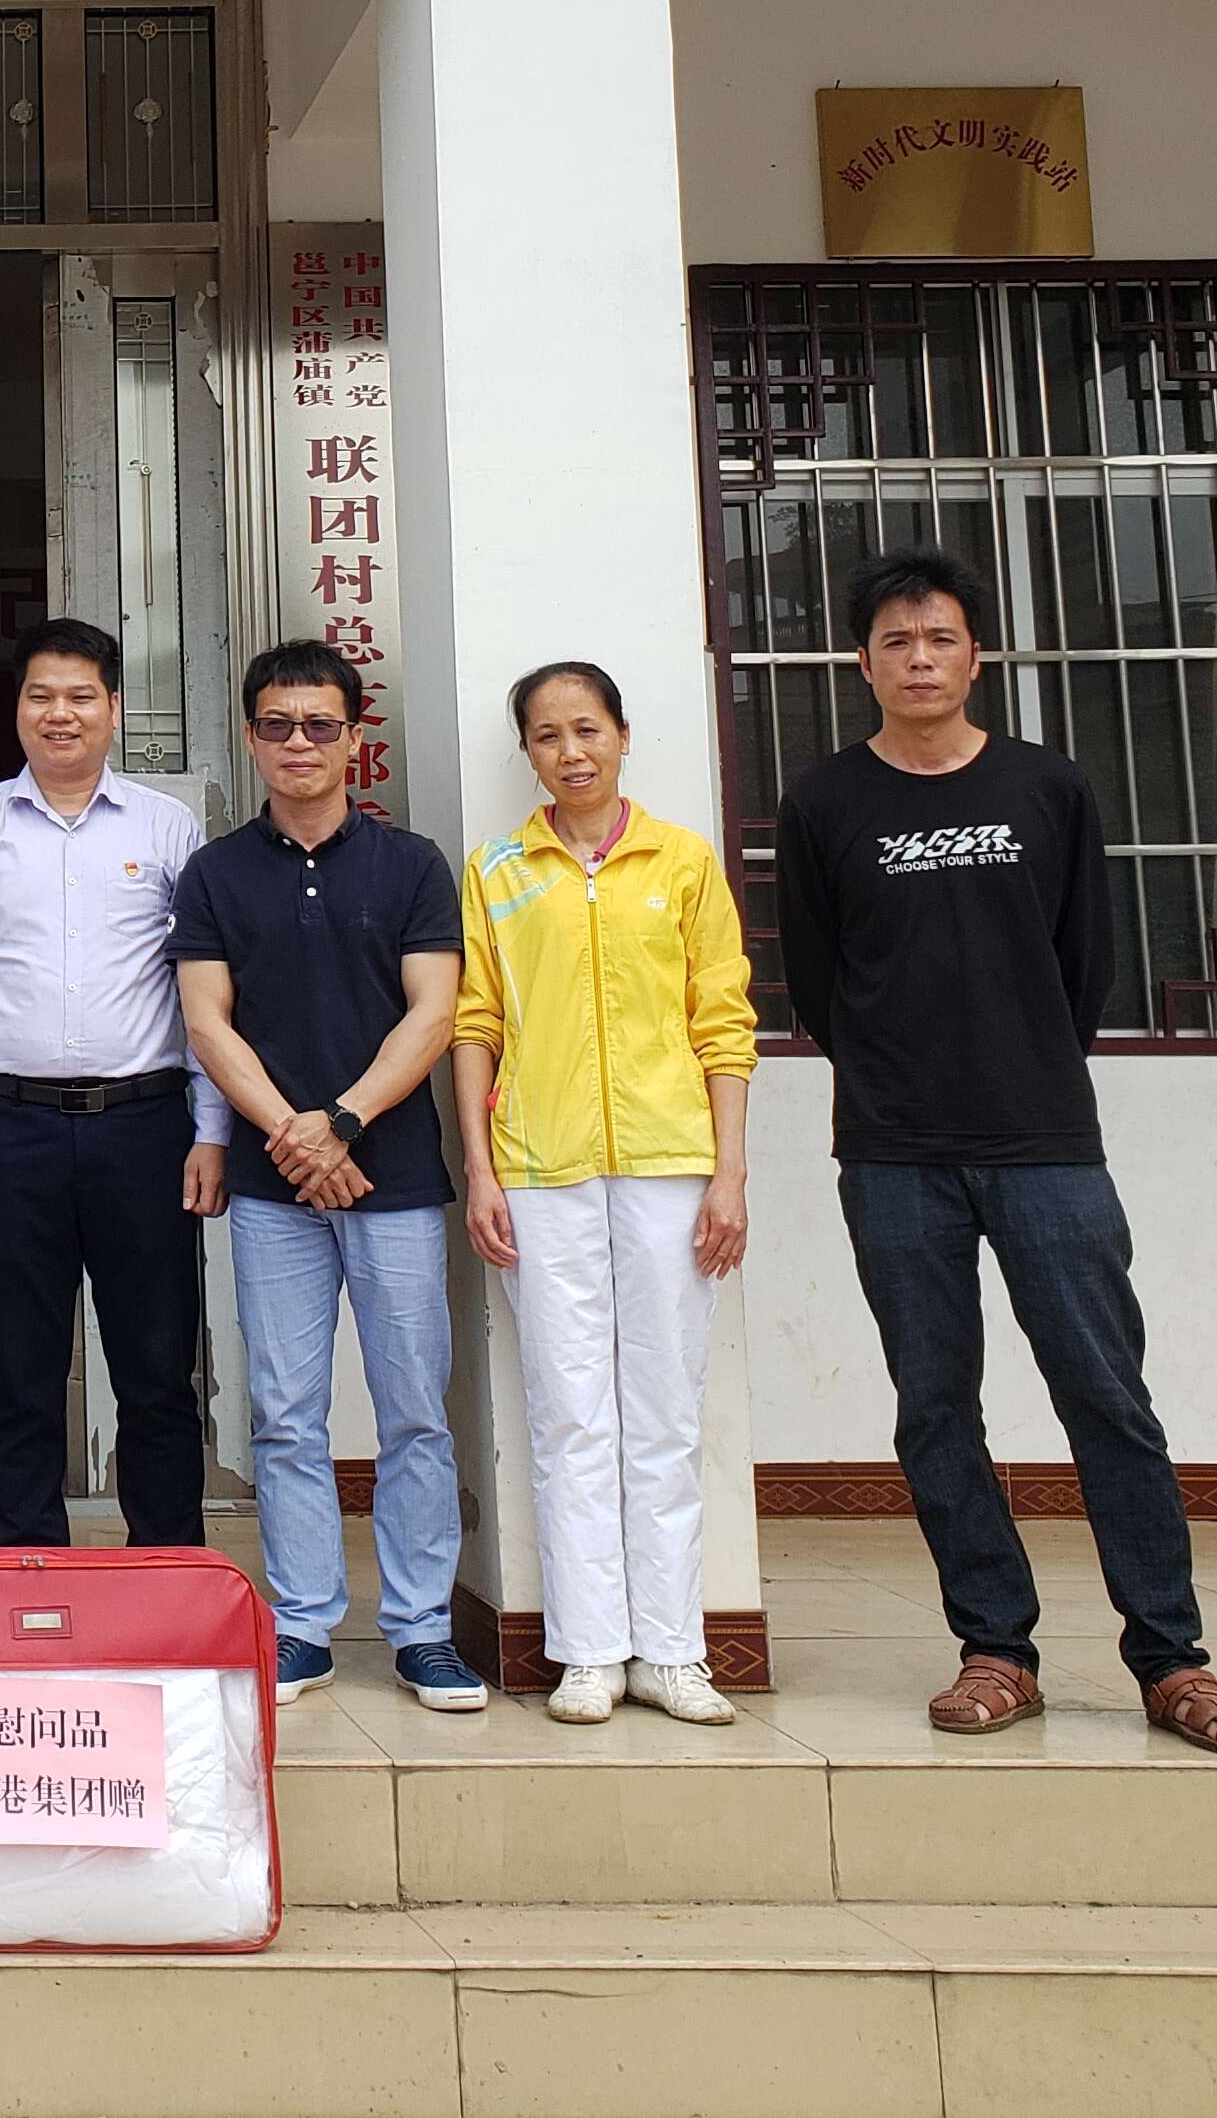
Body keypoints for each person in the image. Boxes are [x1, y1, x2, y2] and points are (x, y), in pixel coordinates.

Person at [777, 550, 1217, 1756]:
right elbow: (817, 977)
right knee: (935, 1405)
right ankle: (996, 1648)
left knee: (1107, 1396)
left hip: (1045, 1141)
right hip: (894, 1152)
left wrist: (1021, 1060)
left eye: (940, 638)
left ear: (977, 655)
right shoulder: (824, 801)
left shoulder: (1047, 786)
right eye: (896, 643)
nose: (920, 660)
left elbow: (1084, 961)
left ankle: (1172, 1657)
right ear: (862, 664)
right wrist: (897, 1073)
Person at [172, 639, 486, 1710]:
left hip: (393, 1178)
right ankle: (302, 1622)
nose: (297, 743)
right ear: (251, 737)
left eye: (319, 724)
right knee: (284, 1414)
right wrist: (294, 1138)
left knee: (415, 1413)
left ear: (354, 736)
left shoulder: (413, 865)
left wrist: (342, 1122)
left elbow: (434, 1013)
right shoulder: (215, 873)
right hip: (275, 1192)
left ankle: (422, 1629)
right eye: (277, 725)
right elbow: (208, 1023)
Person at [453, 660, 756, 1729]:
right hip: (541, 1170)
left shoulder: (683, 861)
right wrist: (480, 1171)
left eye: (587, 729)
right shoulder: (498, 869)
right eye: (547, 735)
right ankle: (588, 1652)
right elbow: (476, 1024)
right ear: (527, 753)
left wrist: (729, 1172)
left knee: (664, 1411)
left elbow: (724, 1020)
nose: (571, 752)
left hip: (671, 1167)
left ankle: (673, 1651)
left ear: (623, 735)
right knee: (569, 1411)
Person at [0, 618, 223, 1548]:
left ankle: (166, 1571)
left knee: (157, 1371)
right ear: (17, 708)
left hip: (145, 1127)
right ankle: (27, 1573)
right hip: (10, 1129)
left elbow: (202, 992)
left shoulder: (168, 827)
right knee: (20, 1373)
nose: (61, 713)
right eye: (42, 695)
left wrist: (211, 1129)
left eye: (82, 696)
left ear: (114, 707)